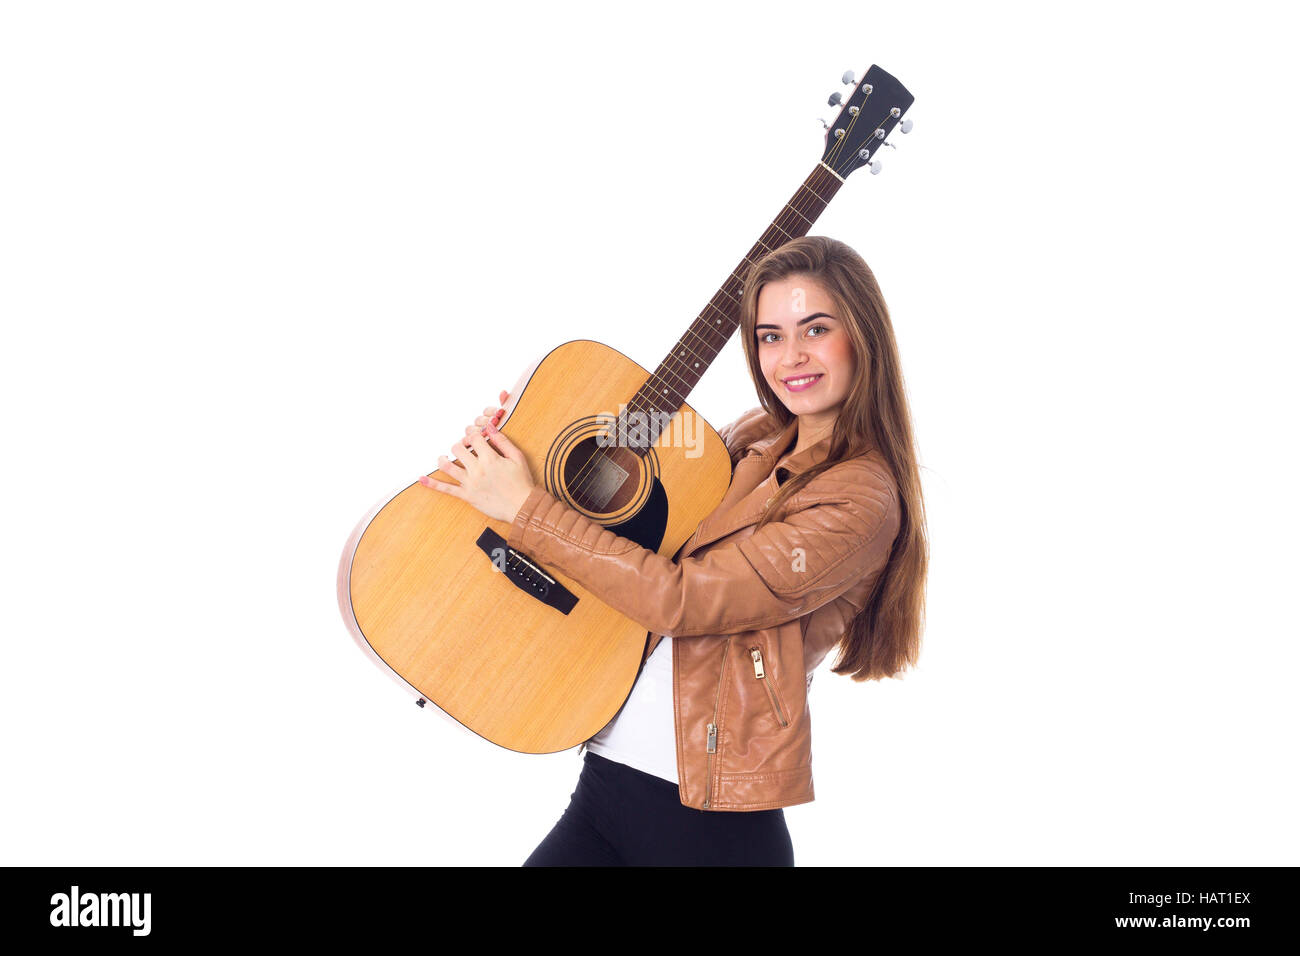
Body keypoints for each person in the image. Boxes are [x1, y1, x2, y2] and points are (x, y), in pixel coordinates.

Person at [418, 236, 928, 866]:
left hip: (711, 832)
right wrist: (514, 446)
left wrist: (524, 509)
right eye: (769, 335)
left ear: (863, 336)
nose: (790, 356)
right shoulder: (752, 436)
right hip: (607, 788)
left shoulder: (860, 501)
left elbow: (685, 600)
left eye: (814, 329)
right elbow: (633, 459)